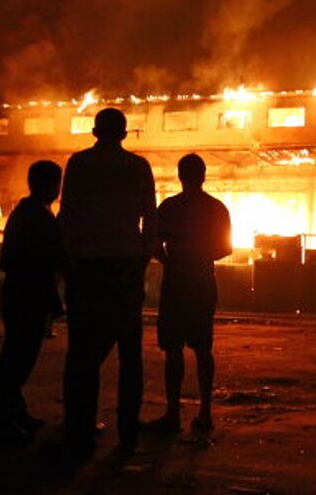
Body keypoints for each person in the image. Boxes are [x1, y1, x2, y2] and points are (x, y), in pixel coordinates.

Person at [59, 108, 157, 458]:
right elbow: (151, 218)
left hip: (87, 267)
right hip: (126, 267)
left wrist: (69, 264)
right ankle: (128, 431)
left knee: (83, 351)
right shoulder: (138, 167)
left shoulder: (79, 164)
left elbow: (67, 216)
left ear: (95, 131)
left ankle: (79, 429)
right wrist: (142, 258)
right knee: (129, 354)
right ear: (124, 134)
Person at [148, 153, 231, 434]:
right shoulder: (216, 208)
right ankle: (205, 413)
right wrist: (201, 255)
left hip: (176, 283)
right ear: (203, 175)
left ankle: (172, 414)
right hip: (202, 282)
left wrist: (173, 261)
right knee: (203, 348)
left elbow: (155, 246)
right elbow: (225, 249)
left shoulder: (169, 207)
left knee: (173, 350)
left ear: (180, 175)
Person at [0, 160, 64, 445]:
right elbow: (45, 261)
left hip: (21, 293)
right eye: (57, 184)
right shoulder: (38, 216)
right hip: (27, 295)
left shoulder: (30, 211)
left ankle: (15, 413)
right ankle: (1, 423)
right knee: (17, 360)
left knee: (18, 357)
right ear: (49, 185)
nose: (58, 190)